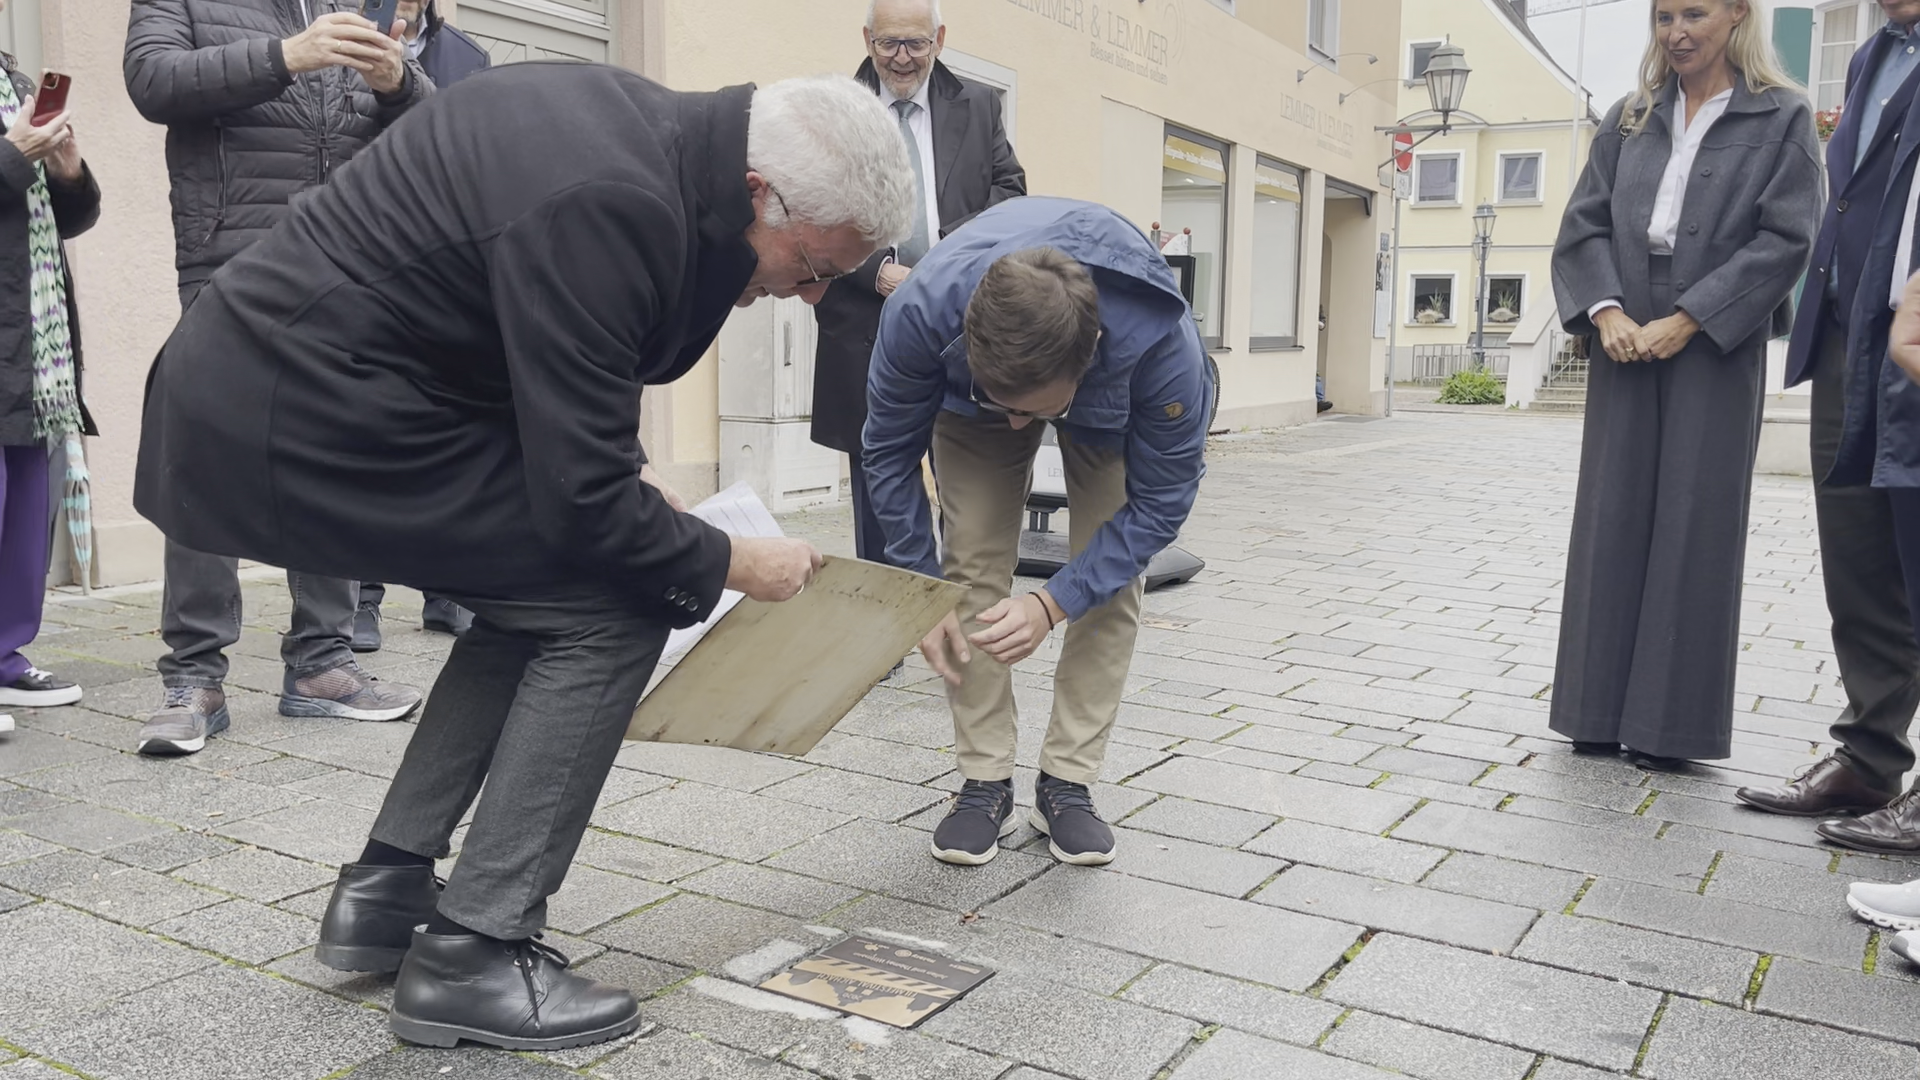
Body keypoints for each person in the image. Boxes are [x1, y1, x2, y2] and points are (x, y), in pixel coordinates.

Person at [135, 68, 914, 1050]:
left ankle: (387, 893)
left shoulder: (639, 140)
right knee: (618, 598)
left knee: (540, 587)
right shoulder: (616, 197)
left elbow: (552, 363)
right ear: (763, 192)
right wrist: (730, 562)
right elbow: (586, 505)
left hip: (302, 382)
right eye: (810, 266)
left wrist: (636, 485)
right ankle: (476, 952)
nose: (802, 296)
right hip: (294, 410)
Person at [864, 196, 1211, 868]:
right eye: (1008, 408)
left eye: (1034, 411)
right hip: (967, 393)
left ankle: (1068, 783)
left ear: (1088, 362)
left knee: (1111, 578)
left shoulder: (1164, 350)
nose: (1020, 427)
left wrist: (1051, 604)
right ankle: (984, 779)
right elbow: (886, 454)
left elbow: (1163, 502)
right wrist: (920, 583)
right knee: (969, 565)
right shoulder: (920, 314)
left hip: (1112, 407)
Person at [124, 0, 430, 755]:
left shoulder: (350, 5)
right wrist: (284, 56)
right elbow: (153, 81)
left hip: (343, 260)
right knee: (205, 451)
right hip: (229, 253)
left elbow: (428, 136)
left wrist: (400, 83)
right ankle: (194, 676)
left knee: (333, 451)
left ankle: (323, 665)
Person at [1547, 0, 1819, 770]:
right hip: (1621, 329)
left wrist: (1692, 317)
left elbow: (1787, 238)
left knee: (1695, 524)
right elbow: (1583, 225)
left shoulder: (1784, 116)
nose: (1677, 31)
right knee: (1612, 515)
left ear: (1737, 15)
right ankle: (1593, 713)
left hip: (1717, 339)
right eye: (1664, 16)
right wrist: (1604, 314)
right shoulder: (1628, 117)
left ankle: (1671, 732)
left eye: (1695, 13)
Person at [1736, 0, 1920, 831]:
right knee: (1858, 555)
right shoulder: (1872, 55)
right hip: (1849, 336)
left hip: (1915, 338)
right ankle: (1871, 762)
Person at [810, 0, 1024, 569]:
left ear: (939, 40)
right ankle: (888, 624)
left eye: (915, 44)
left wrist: (942, 266)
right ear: (867, 39)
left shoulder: (978, 105)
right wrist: (874, 269)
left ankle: (958, 603)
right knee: (880, 476)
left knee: (963, 470)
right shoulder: (834, 109)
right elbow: (806, 209)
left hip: (955, 321)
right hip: (864, 321)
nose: (901, 58)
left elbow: (1010, 194)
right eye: (888, 44)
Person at [352, 0, 492, 650]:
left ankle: (448, 588)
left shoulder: (468, 58)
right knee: (366, 434)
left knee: (448, 431)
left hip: (442, 266)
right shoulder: (345, 30)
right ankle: (361, 598)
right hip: (364, 259)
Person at [0, 28, 98, 722]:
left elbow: (67, 219)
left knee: (25, 504)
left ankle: (5, 656)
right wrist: (9, 156)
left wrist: (66, 170)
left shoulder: (12, 84)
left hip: (30, 334)